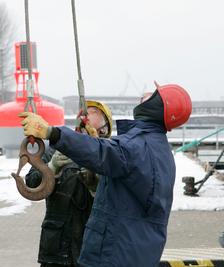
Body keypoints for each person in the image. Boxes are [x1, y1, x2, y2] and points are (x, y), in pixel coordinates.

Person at [20, 83, 192, 267]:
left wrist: (52, 133)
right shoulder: (157, 149)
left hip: (112, 252)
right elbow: (31, 185)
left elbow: (102, 153)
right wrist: (52, 167)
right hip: (63, 250)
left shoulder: (129, 148)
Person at [24, 101, 113, 267]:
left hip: (91, 248)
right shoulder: (55, 151)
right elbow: (31, 184)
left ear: (105, 130)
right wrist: (51, 168)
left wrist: (96, 184)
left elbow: (117, 198)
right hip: (57, 248)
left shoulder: (108, 155)